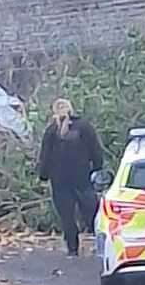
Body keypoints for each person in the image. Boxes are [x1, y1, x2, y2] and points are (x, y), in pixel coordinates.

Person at [37, 99, 104, 257]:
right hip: (82, 178)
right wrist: (96, 168)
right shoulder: (85, 127)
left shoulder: (51, 131)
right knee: (91, 212)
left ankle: (72, 249)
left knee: (67, 216)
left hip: (59, 181)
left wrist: (44, 176)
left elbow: (45, 157)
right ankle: (100, 244)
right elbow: (96, 151)